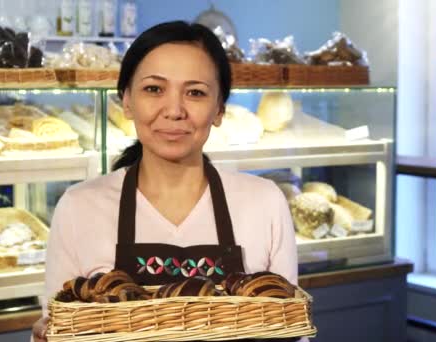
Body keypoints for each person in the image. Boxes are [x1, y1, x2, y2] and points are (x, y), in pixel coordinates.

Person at [32, 20, 300, 341]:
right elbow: (59, 325)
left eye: (195, 93)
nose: (174, 110)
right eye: (154, 89)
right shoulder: (79, 207)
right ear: (127, 100)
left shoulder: (265, 202)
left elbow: (290, 330)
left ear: (219, 110)